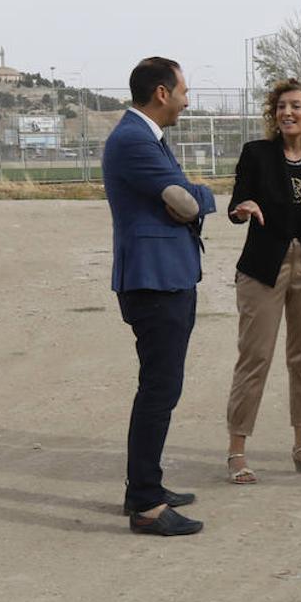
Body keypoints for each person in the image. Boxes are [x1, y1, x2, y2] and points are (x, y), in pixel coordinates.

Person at [103, 56, 216, 535]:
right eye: (184, 91)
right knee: (159, 389)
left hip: (168, 277)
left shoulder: (147, 137)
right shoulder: (132, 139)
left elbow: (181, 202)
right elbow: (187, 202)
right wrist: (202, 198)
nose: (188, 101)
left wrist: (188, 200)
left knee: (161, 386)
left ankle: (143, 487)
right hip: (153, 281)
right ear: (162, 93)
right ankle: (146, 504)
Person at [224, 78, 301, 484]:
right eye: (281, 106)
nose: (287, 113)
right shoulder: (256, 154)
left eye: (296, 106)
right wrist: (243, 207)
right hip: (263, 266)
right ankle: (237, 452)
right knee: (254, 358)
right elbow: (237, 200)